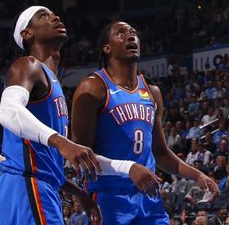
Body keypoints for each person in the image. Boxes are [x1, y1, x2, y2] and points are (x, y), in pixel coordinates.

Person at [0, 7, 155, 225]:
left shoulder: (52, 81)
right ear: (27, 34)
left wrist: (78, 193)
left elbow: (57, 159)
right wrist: (61, 142)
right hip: (25, 185)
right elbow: (8, 111)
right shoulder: (27, 65)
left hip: (42, 187)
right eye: (43, 16)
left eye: (53, 14)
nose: (55, 17)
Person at [71, 20, 218, 224]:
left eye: (133, 33)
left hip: (149, 198)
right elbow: (79, 156)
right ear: (106, 48)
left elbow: (160, 153)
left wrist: (198, 175)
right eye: (121, 33)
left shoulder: (152, 92)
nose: (130, 36)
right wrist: (128, 168)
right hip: (109, 197)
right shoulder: (93, 88)